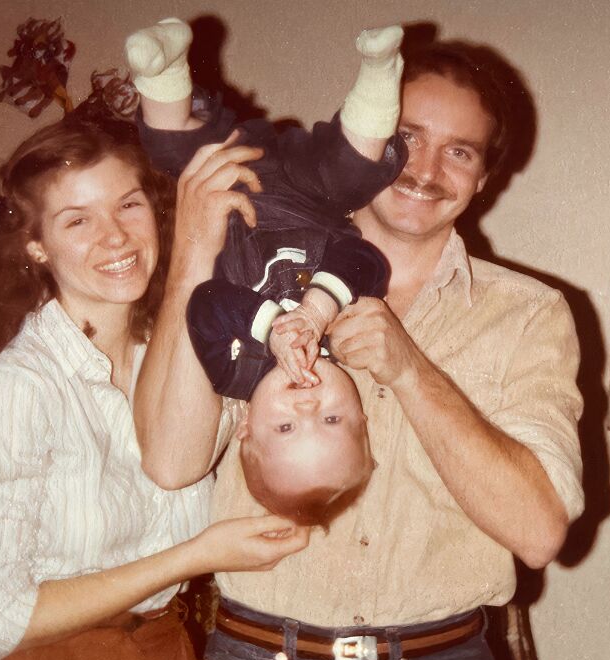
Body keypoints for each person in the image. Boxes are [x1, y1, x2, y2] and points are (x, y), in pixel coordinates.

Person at [134, 35, 585, 660]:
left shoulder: (531, 315)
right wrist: (195, 252)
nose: (423, 169)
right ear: (362, 133)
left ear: (485, 176)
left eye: (460, 152)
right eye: (405, 138)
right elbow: (171, 463)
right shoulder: (255, 268)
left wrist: (412, 372)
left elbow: (540, 528)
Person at [0, 115, 309, 660]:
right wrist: (195, 556)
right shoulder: (18, 389)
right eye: (76, 219)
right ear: (35, 244)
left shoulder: (187, 358)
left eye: (127, 203)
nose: (115, 237)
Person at [125, 20, 404, 522]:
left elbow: (206, 304)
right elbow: (365, 260)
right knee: (356, 169)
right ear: (363, 413)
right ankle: (381, 69)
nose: (307, 407)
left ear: (247, 426)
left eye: (286, 430)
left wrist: (270, 330)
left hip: (231, 186)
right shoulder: (348, 336)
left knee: (170, 147)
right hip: (309, 189)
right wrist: (318, 311)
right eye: (333, 418)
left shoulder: (235, 370)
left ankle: (163, 64)